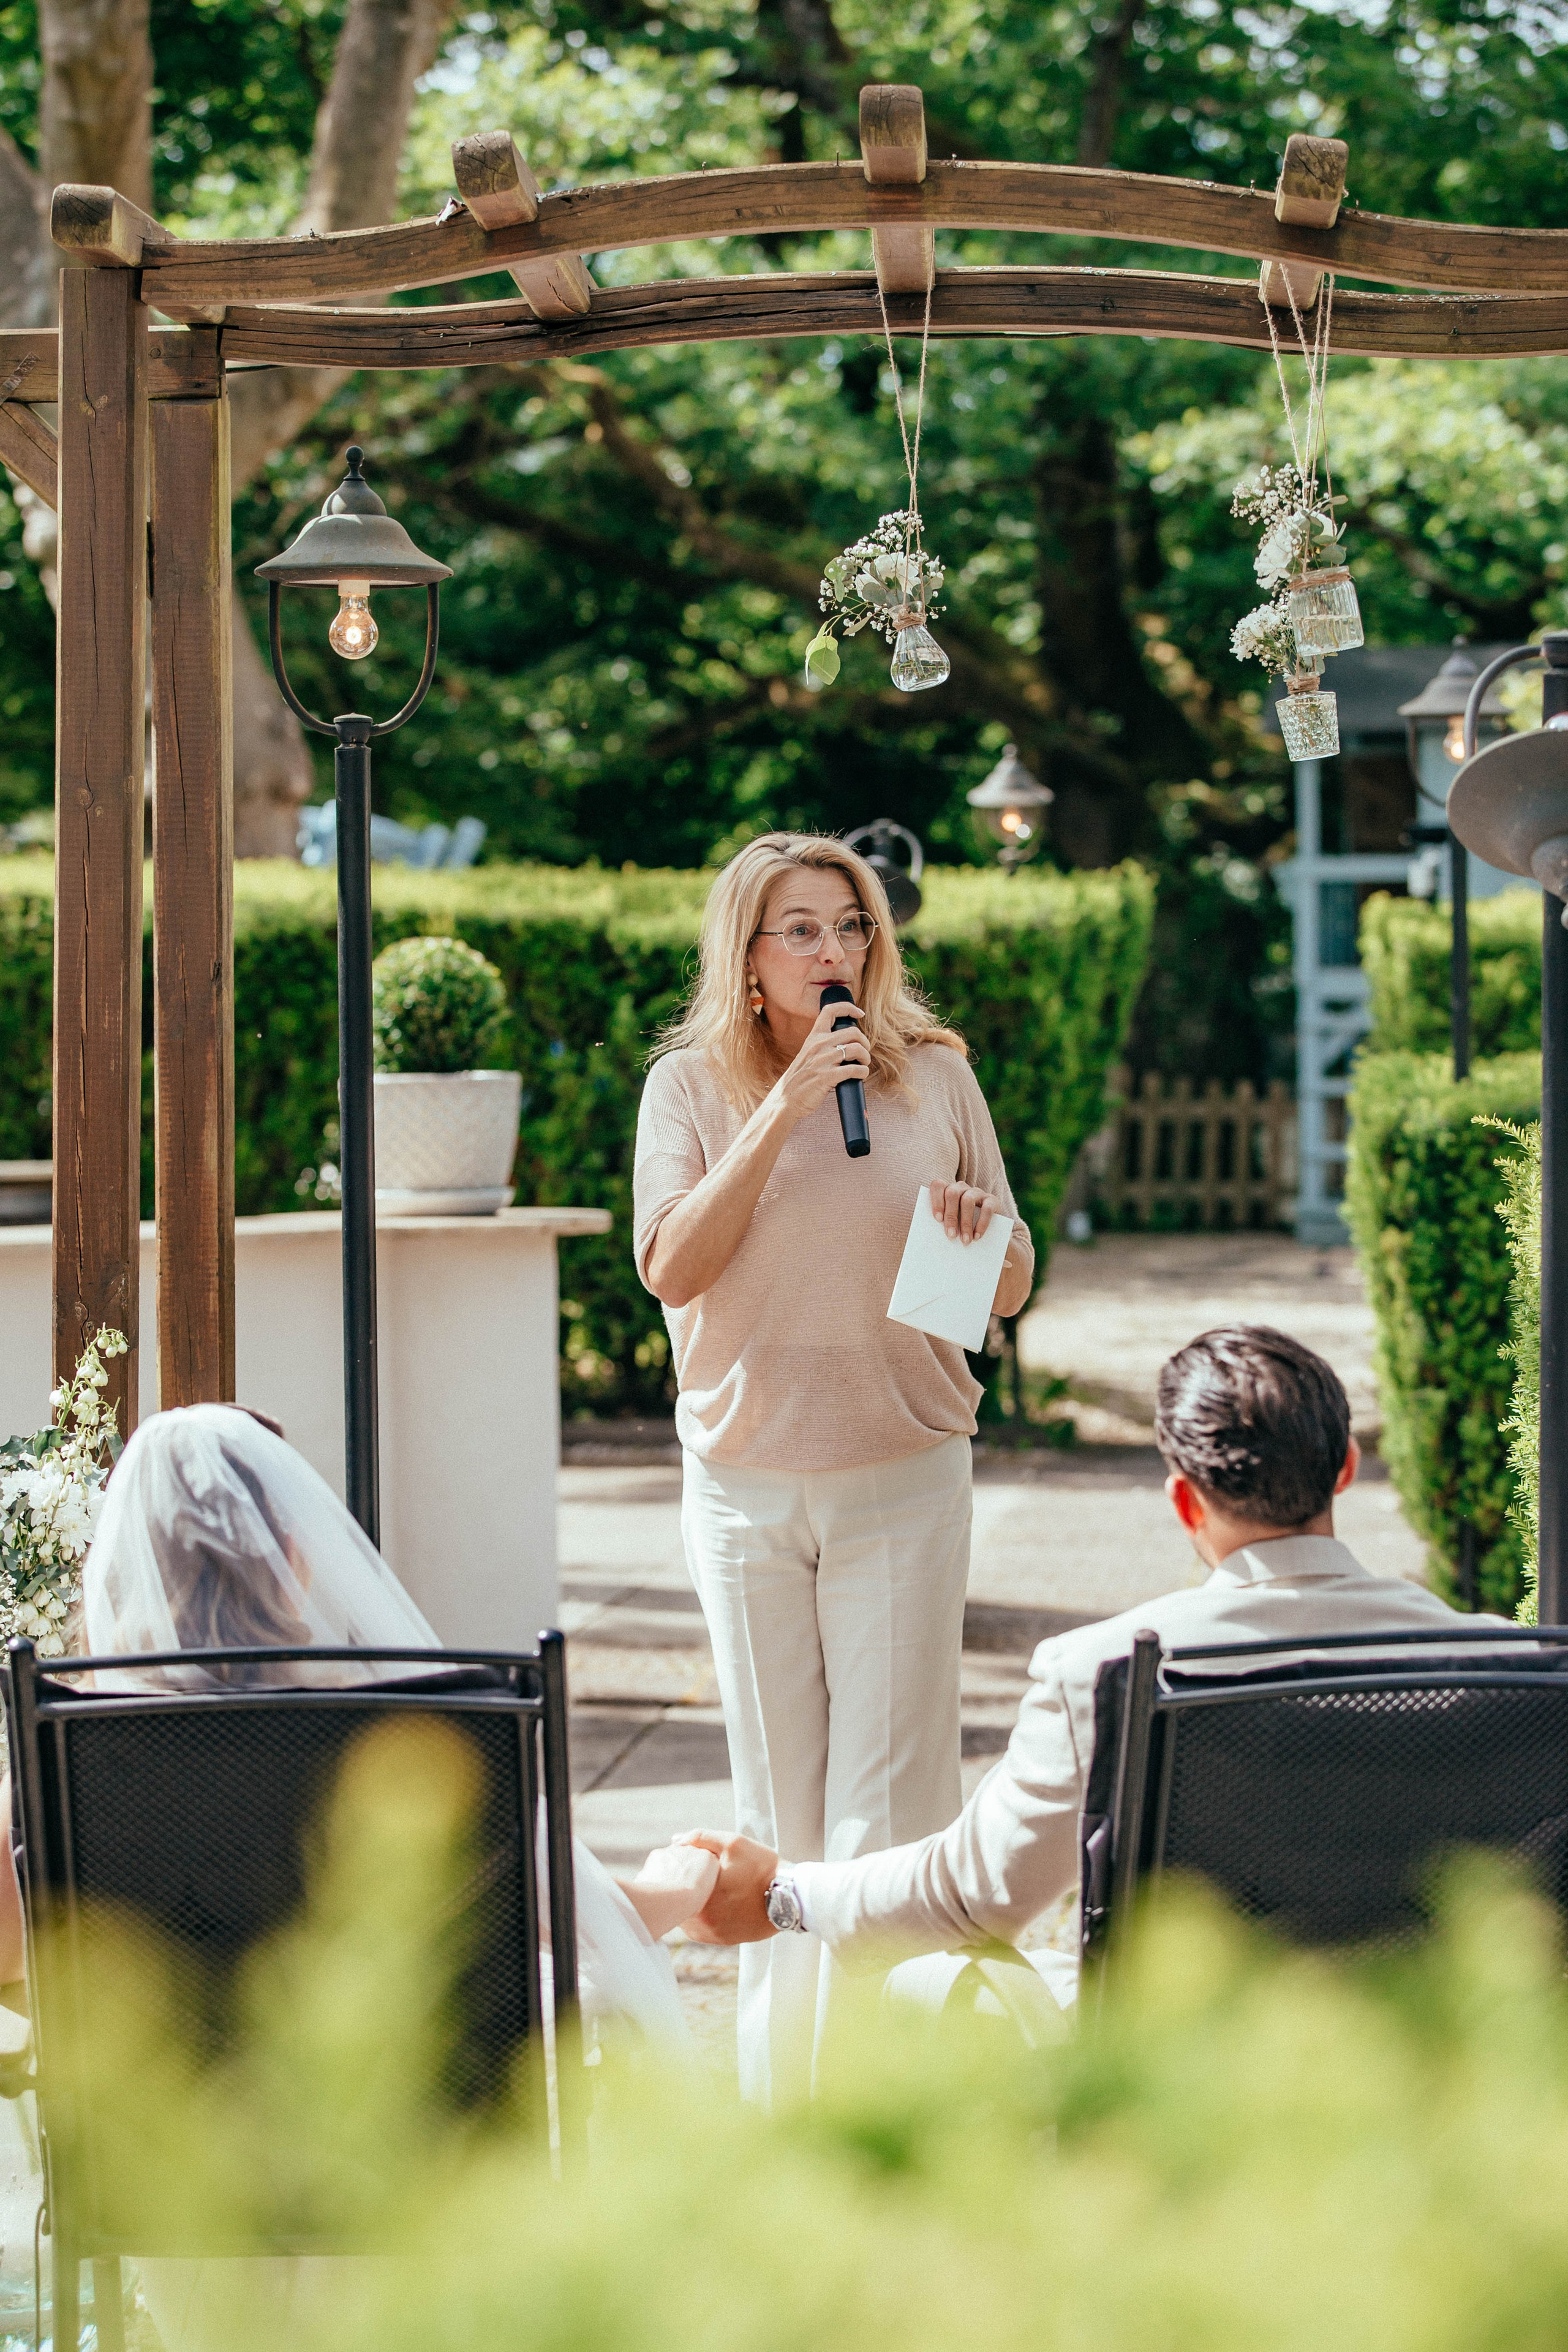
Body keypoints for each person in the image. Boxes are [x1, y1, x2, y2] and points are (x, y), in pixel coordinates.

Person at [668, 1325, 1506, 1997]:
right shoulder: (1503, 1665)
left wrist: (785, 1895)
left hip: (1186, 2075)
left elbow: (971, 1893)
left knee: (927, 1985)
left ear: (1184, 1497)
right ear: (1347, 1469)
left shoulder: (1103, 1672)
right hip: (1441, 2070)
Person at [633, 831, 1035, 2101]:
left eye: (850, 926)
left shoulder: (935, 1079)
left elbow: (1010, 1286)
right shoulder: (689, 1088)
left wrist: (977, 1239)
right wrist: (788, 1105)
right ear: (746, 959)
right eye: (801, 929)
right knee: (777, 1820)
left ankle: (884, 2103)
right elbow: (670, 1267)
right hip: (747, 1487)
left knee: (884, 1816)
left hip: (902, 1471)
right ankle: (782, 2108)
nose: (833, 951)